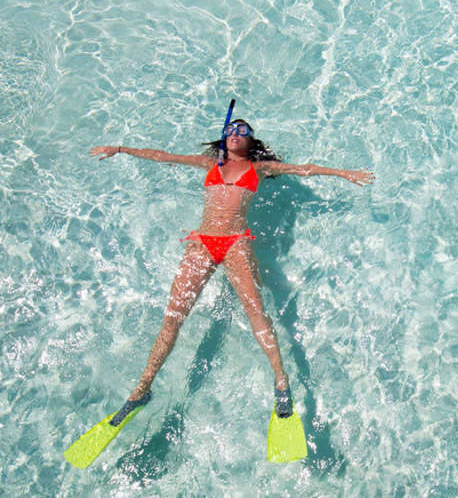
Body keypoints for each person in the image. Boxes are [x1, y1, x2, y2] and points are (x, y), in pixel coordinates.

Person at [89, 118, 374, 427]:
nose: (235, 134)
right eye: (230, 130)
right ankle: (142, 388)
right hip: (202, 244)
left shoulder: (260, 168)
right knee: (173, 318)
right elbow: (163, 155)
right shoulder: (208, 162)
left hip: (237, 245)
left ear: (251, 140)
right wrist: (120, 148)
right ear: (223, 138)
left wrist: (345, 174)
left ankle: (281, 382)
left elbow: (304, 168)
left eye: (242, 131)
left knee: (257, 315)